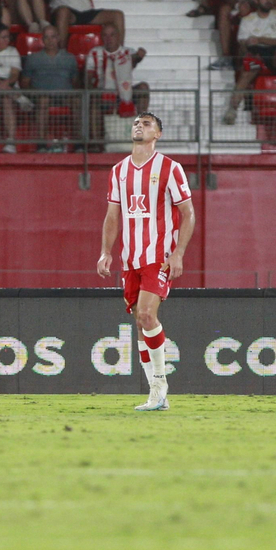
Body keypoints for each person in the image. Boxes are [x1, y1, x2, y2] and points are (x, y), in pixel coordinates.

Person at [96, 112, 194, 411]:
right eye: (137, 122)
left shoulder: (170, 168)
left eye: (147, 123)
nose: (139, 126)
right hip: (131, 258)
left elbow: (188, 213)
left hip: (159, 255)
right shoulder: (119, 170)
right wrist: (106, 251)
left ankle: (160, 384)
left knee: (148, 316)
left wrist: (178, 253)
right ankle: (157, 395)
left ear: (158, 134)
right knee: (140, 322)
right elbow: (113, 216)